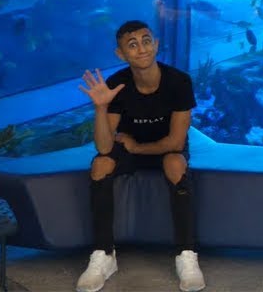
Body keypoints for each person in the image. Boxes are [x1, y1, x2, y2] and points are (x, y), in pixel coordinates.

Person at [75, 20, 204, 292]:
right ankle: (104, 255)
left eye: (146, 41)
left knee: (175, 163)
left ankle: (187, 255)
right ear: (121, 54)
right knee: (100, 165)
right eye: (132, 45)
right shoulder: (117, 84)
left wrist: (136, 148)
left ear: (156, 44)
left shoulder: (179, 81)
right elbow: (104, 147)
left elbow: (176, 141)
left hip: (162, 148)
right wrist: (100, 108)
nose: (142, 48)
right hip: (129, 148)